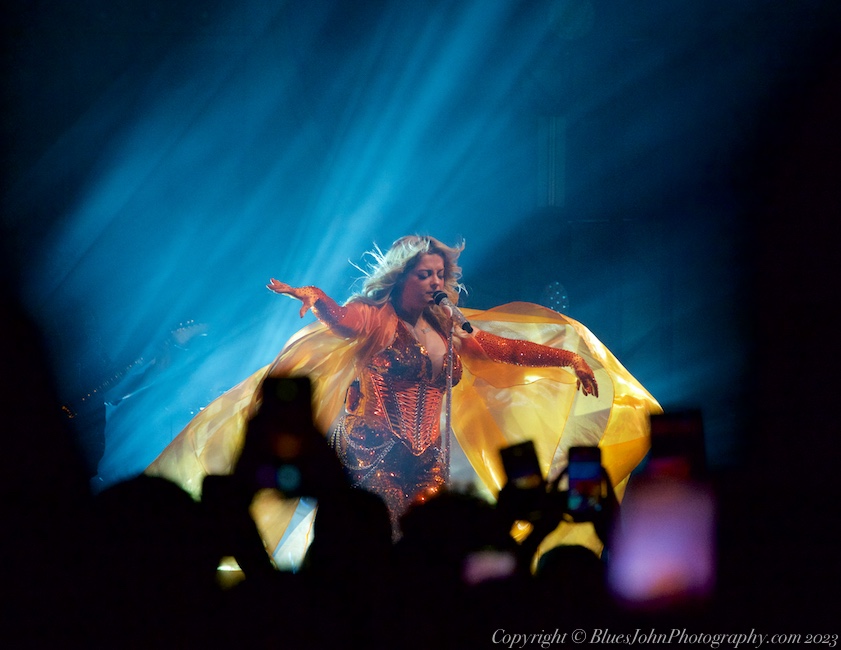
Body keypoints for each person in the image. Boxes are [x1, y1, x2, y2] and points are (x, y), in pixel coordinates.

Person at [148, 235, 660, 559]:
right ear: (402, 277)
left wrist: (566, 359)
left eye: (440, 273)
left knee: (426, 552)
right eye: (424, 274)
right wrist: (317, 298)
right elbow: (340, 318)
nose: (435, 281)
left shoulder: (449, 325)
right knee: (367, 547)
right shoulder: (377, 319)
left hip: (429, 461)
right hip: (372, 453)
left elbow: (502, 348)